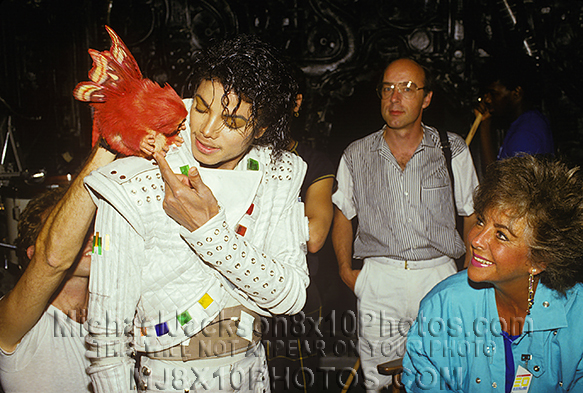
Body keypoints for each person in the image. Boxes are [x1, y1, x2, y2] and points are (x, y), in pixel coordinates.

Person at [83, 34, 309, 392]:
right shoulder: (139, 173)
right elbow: (107, 339)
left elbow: (291, 296)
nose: (207, 129)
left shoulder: (278, 173)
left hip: (252, 374)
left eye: (232, 122)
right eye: (202, 107)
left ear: (261, 129)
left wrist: (210, 231)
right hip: (168, 381)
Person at [331, 57, 479, 392]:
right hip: (380, 278)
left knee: (447, 373)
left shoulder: (451, 148)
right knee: (379, 379)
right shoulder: (356, 154)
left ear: (426, 98)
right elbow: (343, 213)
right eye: (388, 89)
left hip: (440, 274)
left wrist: (467, 274)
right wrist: (346, 271)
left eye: (408, 89)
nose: (395, 98)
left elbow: (471, 213)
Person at [402, 155, 583, 392]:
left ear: (539, 260)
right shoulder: (444, 305)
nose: (476, 240)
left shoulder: (576, 314)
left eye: (501, 235)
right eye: (480, 221)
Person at [0, 145, 116, 392]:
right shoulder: (13, 321)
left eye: (90, 227)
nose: (89, 237)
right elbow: (52, 259)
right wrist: (109, 144)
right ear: (32, 254)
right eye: (74, 233)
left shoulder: (112, 311)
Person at [265, 67, 336, 391]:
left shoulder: (313, 162)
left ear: (296, 102)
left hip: (297, 296)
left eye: (281, 97)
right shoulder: (233, 157)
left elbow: (315, 236)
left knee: (298, 385)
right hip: (237, 293)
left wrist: (251, 228)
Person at [475, 54, 554, 170]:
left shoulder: (526, 134)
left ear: (516, 93)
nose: (487, 99)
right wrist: (485, 125)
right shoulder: (528, 122)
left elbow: (497, 184)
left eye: (493, 93)